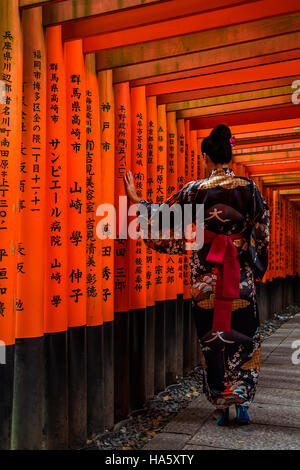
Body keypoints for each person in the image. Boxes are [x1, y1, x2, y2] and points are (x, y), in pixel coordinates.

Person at [124, 123, 270, 426]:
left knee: (211, 337)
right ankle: (241, 399)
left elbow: (163, 216)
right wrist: (255, 260)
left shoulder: (193, 190)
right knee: (244, 334)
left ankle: (220, 402)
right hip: (239, 272)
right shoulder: (250, 189)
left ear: (205, 156)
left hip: (205, 272)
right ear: (231, 154)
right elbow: (263, 230)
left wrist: (137, 199)